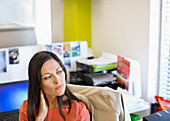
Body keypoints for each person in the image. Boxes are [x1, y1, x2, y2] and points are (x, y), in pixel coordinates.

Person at [19, 51, 90, 121]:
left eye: (59, 72)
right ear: (38, 83)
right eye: (48, 77)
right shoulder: (27, 110)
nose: (57, 80)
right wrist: (41, 117)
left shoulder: (78, 111)